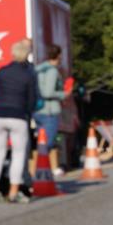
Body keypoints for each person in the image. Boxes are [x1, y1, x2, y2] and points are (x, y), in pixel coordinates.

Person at [0, 39, 37, 204]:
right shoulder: (29, 74)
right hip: (18, 115)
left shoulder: (2, 71)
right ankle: (13, 192)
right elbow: (32, 99)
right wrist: (27, 111)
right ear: (27, 55)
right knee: (18, 154)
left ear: (13, 53)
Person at [33, 44, 70, 178]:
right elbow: (48, 92)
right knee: (47, 143)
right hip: (49, 111)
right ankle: (39, 169)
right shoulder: (52, 71)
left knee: (42, 141)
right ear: (58, 56)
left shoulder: (39, 69)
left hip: (37, 110)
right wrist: (64, 94)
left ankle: (44, 169)